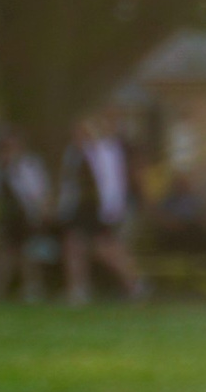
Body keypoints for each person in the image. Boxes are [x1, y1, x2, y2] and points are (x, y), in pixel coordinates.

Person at [57, 110, 144, 302]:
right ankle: (78, 289)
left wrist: (113, 209)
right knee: (73, 246)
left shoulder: (106, 151)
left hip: (99, 207)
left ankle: (134, 284)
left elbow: (113, 182)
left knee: (106, 249)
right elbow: (68, 184)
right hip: (79, 208)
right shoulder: (72, 154)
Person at [0, 134, 53, 299]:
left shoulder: (30, 165)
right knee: (6, 252)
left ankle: (32, 287)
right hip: (7, 214)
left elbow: (38, 189)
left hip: (26, 214)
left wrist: (43, 210)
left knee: (28, 252)